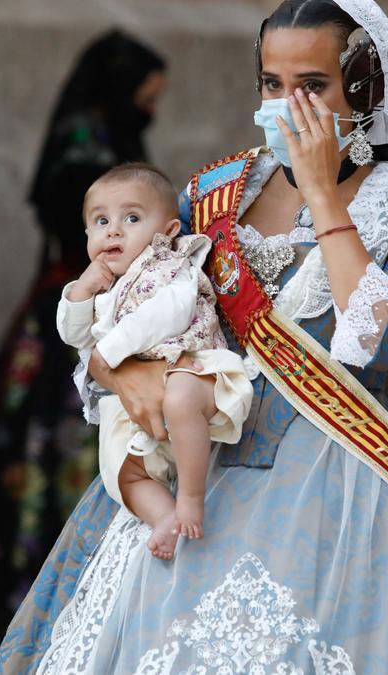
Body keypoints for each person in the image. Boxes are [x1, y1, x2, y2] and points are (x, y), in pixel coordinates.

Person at [0, 1, 388, 673]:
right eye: (271, 84)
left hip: (345, 481)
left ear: (363, 90)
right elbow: (123, 307)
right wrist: (122, 374)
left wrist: (321, 194)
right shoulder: (212, 193)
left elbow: (383, 339)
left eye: (313, 86)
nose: (289, 105)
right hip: (199, 462)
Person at [0, 30, 166, 661]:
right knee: (64, 456)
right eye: (146, 98)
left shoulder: (109, 145)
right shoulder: (83, 160)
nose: (151, 111)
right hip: (83, 316)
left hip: (120, 316)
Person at [56, 163, 251, 560]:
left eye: (131, 218)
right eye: (101, 221)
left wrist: (108, 356)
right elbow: (72, 335)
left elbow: (170, 313)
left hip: (190, 367)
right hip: (136, 402)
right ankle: (164, 517)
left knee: (180, 398)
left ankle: (191, 499)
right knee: (125, 476)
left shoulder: (169, 266)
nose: (114, 230)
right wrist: (80, 292)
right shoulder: (100, 283)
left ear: (167, 232)